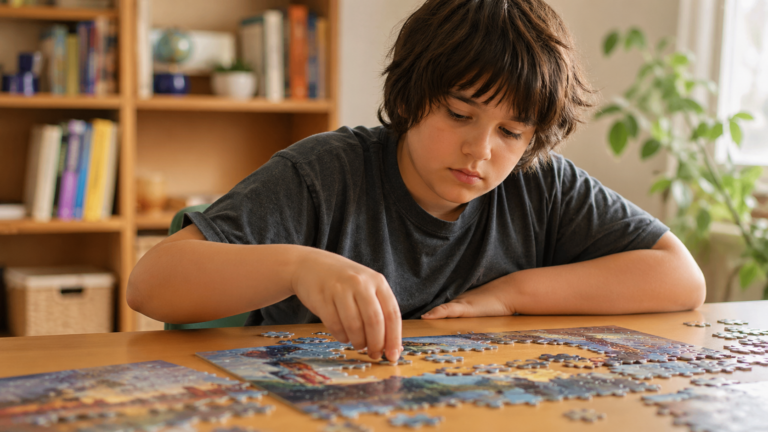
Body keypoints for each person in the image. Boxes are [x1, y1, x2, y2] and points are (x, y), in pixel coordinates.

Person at [128, 0, 705, 363]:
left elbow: (680, 278)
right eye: (459, 114)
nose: (480, 149)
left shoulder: (540, 183)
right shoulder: (324, 174)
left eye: (511, 130)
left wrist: (510, 295)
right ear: (410, 98)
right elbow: (152, 284)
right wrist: (299, 266)